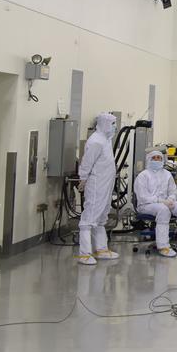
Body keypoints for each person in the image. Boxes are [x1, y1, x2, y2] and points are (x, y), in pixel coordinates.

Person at [76, 112, 120, 265]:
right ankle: (84, 254)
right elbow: (87, 161)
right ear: (104, 124)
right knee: (89, 217)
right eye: (113, 123)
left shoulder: (105, 140)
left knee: (101, 217)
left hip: (105, 184)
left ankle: (101, 249)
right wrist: (83, 177)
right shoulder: (96, 141)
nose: (115, 127)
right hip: (96, 184)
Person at [134, 150, 177, 257]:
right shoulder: (143, 175)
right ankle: (163, 247)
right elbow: (142, 197)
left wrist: (171, 199)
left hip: (166, 203)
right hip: (146, 205)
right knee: (163, 210)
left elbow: (172, 191)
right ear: (149, 159)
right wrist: (161, 201)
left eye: (159, 158)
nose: (157, 160)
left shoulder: (167, 174)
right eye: (155, 158)